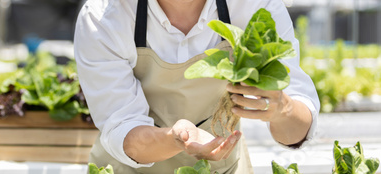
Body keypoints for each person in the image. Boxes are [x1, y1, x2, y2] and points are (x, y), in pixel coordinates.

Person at [74, 0, 320, 173]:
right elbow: (122, 127)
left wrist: (282, 109)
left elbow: (297, 128)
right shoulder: (103, 17)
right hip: (127, 169)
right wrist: (176, 138)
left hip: (222, 169)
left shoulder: (255, 5)